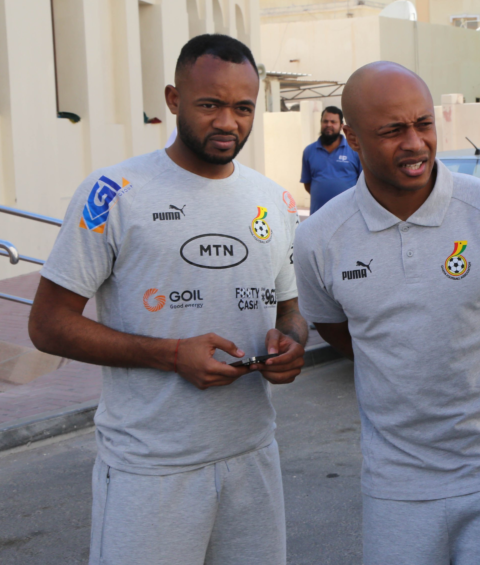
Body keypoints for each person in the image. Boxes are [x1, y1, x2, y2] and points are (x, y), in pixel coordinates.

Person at [28, 34, 308, 565]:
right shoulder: (113, 193)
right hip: (149, 469)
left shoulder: (272, 199)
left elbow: (290, 309)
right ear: (173, 99)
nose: (228, 122)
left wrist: (290, 344)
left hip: (252, 458)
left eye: (243, 108)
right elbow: (47, 326)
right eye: (210, 104)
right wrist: (171, 354)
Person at [293, 61, 480, 565]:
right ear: (353, 139)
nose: (414, 143)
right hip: (396, 482)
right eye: (392, 131)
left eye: (423, 124)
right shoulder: (319, 238)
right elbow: (336, 330)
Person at [300, 105, 362, 212]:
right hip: (318, 215)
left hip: (348, 215)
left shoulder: (354, 150)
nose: (328, 125)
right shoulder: (309, 151)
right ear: (321, 123)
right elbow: (308, 184)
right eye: (325, 121)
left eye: (333, 122)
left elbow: (363, 182)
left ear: (341, 126)